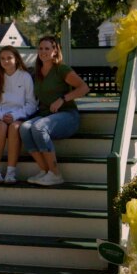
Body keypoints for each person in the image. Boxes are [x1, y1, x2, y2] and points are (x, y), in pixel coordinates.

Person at [19, 36, 90, 186]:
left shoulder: (61, 69)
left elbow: (84, 88)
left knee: (39, 127)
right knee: (24, 128)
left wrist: (63, 99)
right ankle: (46, 171)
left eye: (47, 48)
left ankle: (56, 174)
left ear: (55, 51)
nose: (43, 51)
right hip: (45, 115)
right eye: (41, 48)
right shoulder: (35, 73)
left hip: (68, 116)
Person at [0, 46, 37, 184]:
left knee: (14, 128)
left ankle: (11, 172)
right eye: (2, 58)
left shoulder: (25, 77)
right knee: (1, 128)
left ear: (16, 59)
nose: (5, 61)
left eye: (9, 58)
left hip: (18, 117)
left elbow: (31, 104)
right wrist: (1, 116)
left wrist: (15, 115)